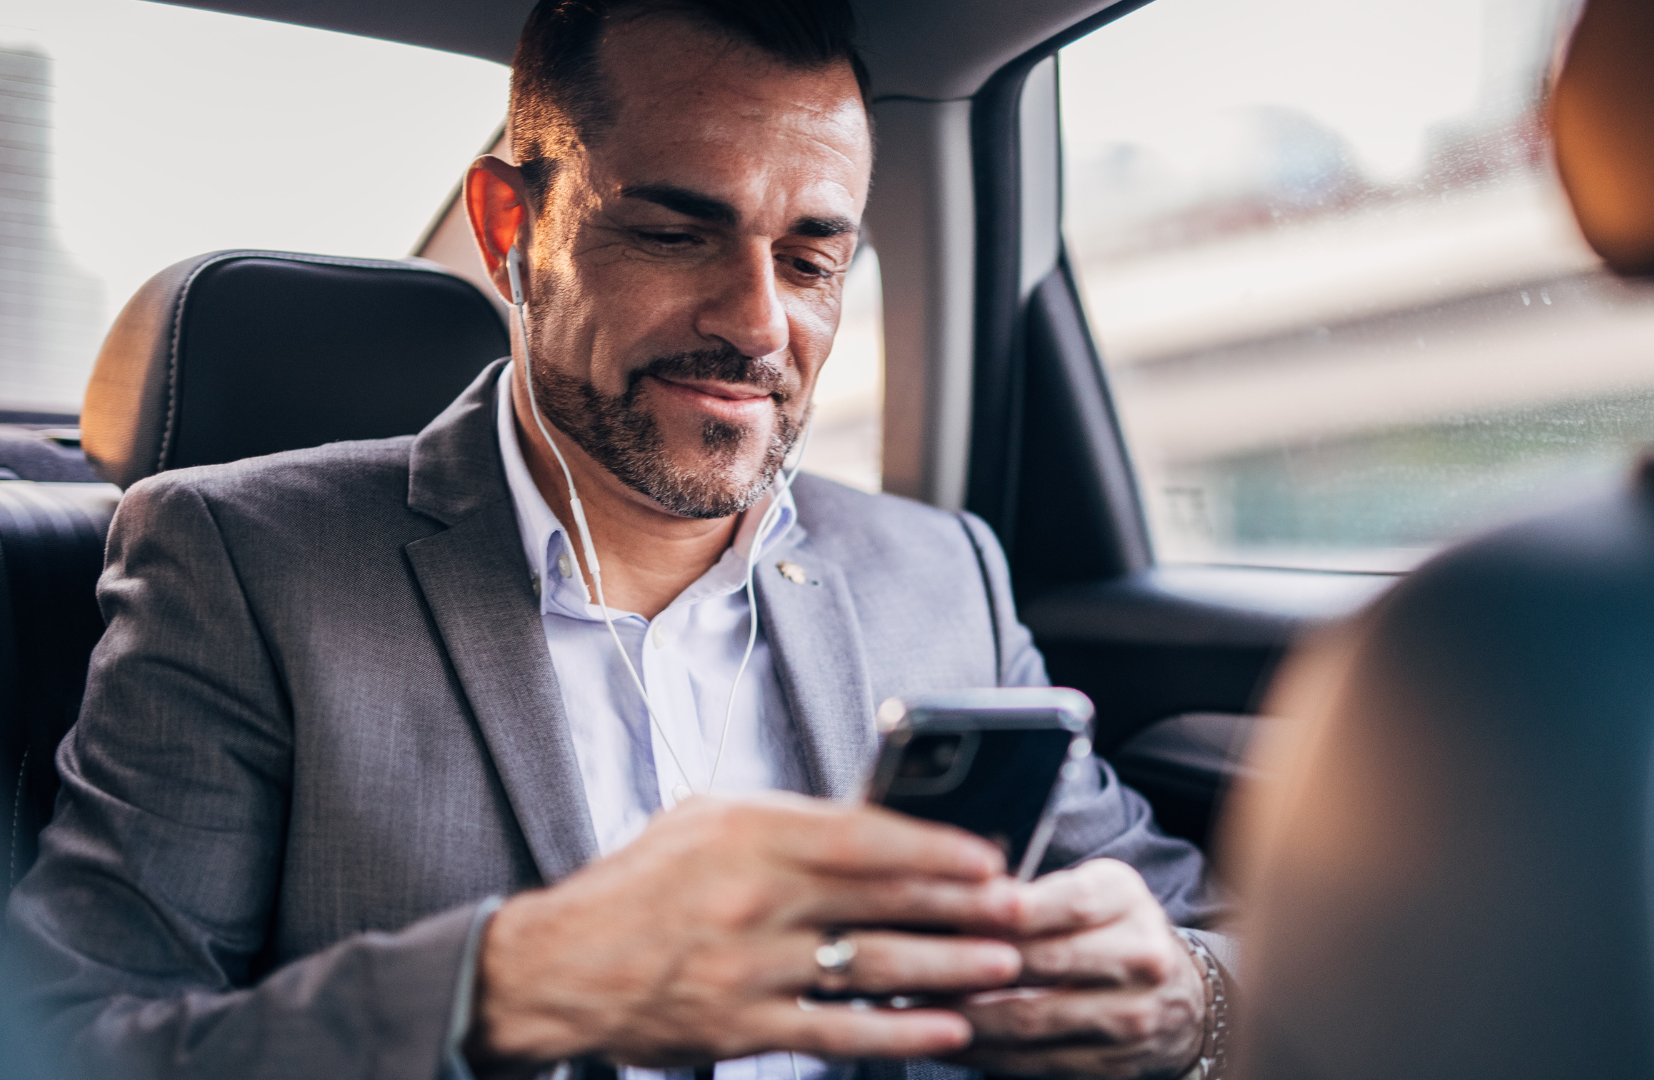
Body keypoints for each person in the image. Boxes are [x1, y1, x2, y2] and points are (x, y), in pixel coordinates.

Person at [3, 2, 1232, 1078]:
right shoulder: (242, 563)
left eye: (812, 257)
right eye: (673, 233)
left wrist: (1186, 1003)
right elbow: (75, 1042)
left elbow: (1192, 924)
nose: (758, 324)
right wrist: (506, 988)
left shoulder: (940, 573)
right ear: (509, 231)